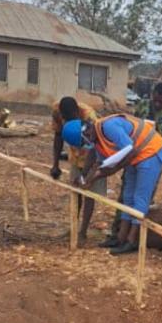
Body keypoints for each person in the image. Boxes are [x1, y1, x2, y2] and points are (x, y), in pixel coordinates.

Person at [61, 113, 162, 255]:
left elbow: (131, 150)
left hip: (150, 153)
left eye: (84, 141)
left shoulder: (109, 126)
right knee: (127, 196)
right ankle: (121, 237)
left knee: (140, 198)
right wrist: (87, 179)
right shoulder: (96, 139)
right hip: (134, 157)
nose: (87, 145)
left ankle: (131, 240)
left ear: (86, 131)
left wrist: (113, 170)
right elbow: (101, 165)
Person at [50, 97, 106, 245]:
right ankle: (73, 227)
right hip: (76, 156)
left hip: (92, 157)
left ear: (77, 113)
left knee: (89, 192)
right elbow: (58, 137)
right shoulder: (57, 111)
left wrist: (85, 174)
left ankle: (83, 232)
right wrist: (55, 164)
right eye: (66, 120)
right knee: (75, 191)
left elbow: (94, 147)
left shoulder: (89, 117)